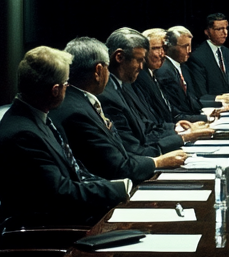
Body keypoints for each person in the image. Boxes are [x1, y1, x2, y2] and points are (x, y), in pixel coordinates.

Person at [0, 45, 129, 227]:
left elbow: (76, 170)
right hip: (48, 231)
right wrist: (117, 189)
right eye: (66, 84)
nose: (67, 88)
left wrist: (113, 186)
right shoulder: (23, 135)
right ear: (55, 90)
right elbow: (61, 193)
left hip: (68, 216)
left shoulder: (37, 116)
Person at [51, 36, 187, 182]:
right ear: (98, 71)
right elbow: (116, 168)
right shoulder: (77, 112)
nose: (109, 73)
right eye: (107, 67)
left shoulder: (80, 101)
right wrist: (157, 162)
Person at [99, 28, 185, 156]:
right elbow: (133, 148)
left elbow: (142, 124)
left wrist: (174, 129)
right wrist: (180, 139)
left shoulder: (124, 84)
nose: (141, 66)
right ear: (119, 57)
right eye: (139, 60)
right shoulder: (108, 95)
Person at [133, 27, 215, 141]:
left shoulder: (153, 73)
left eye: (164, 48)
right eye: (156, 48)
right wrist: (177, 130)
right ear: (144, 51)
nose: (162, 54)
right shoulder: (141, 78)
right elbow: (151, 122)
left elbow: (170, 110)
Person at [189, 12, 229, 105]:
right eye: (219, 29)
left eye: (226, 28)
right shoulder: (198, 56)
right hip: (213, 107)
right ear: (207, 31)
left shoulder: (225, 51)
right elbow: (201, 94)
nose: (225, 33)